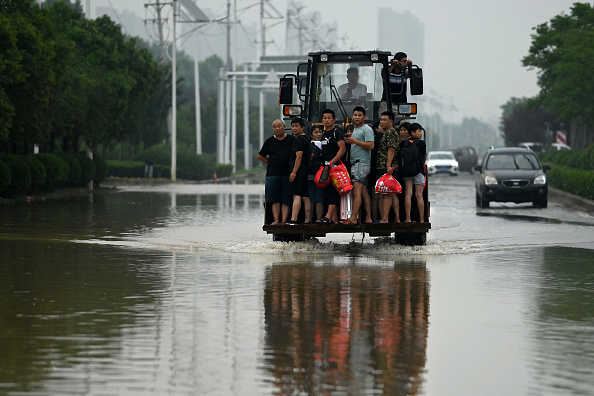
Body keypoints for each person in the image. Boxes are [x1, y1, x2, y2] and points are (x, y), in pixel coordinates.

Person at [257, 119, 295, 225]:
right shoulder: (269, 141)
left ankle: (283, 222)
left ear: (284, 126)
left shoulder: (292, 140)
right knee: (274, 199)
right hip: (273, 174)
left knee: (286, 199)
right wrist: (270, 162)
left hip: (287, 174)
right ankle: (276, 221)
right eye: (275, 127)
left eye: (279, 126)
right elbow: (260, 156)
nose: (277, 129)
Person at [341, 106, 374, 225]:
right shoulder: (354, 129)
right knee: (364, 192)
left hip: (361, 164)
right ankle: (368, 218)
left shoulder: (367, 129)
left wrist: (354, 142)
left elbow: (371, 145)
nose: (357, 117)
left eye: (360, 115)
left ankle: (353, 218)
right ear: (352, 117)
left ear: (364, 117)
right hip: (357, 164)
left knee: (357, 192)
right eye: (355, 115)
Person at [316, 109, 346, 224]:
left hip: (335, 167)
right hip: (325, 167)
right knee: (328, 191)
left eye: (329, 118)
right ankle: (334, 219)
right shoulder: (322, 134)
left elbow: (342, 149)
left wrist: (332, 162)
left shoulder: (337, 132)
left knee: (333, 191)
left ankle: (328, 217)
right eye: (324, 118)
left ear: (334, 120)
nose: (326, 120)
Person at [375, 111, 401, 223]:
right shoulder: (387, 132)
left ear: (391, 121)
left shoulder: (391, 132)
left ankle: (385, 218)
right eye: (381, 120)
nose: (382, 122)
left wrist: (388, 166)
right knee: (389, 193)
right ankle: (394, 218)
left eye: (384, 120)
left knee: (386, 193)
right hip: (385, 166)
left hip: (387, 167)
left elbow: (391, 149)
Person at [400, 122, 427, 223]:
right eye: (419, 131)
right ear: (413, 132)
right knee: (419, 195)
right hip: (418, 171)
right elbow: (423, 157)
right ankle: (422, 219)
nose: (421, 133)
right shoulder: (421, 143)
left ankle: (407, 218)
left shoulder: (403, 143)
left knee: (408, 194)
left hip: (406, 172)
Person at [287, 118, 312, 225]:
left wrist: (294, 172)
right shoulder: (307, 139)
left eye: (296, 126)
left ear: (302, 128)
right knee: (305, 196)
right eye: (292, 126)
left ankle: (294, 219)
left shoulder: (298, 140)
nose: (294, 128)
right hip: (305, 171)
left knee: (296, 195)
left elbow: (299, 157)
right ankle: (307, 220)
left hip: (299, 171)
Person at [379, 52, 413, 116]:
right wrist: (393, 65)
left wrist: (410, 66)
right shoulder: (387, 70)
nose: (405, 64)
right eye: (403, 61)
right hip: (387, 102)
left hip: (400, 104)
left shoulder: (404, 71)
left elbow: (409, 75)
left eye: (406, 61)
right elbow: (385, 76)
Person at [307, 126, 325, 222]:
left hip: (309, 175)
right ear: (311, 135)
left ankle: (309, 220)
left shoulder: (307, 146)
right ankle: (319, 219)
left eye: (320, 132)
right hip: (320, 176)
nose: (318, 134)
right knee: (319, 198)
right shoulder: (323, 145)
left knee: (312, 199)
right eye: (316, 132)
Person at [368, 119, 384, 222]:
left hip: (371, 169)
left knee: (374, 197)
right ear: (376, 128)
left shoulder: (370, 140)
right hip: (380, 169)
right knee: (381, 196)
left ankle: (374, 219)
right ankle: (383, 219)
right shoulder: (383, 139)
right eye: (381, 126)